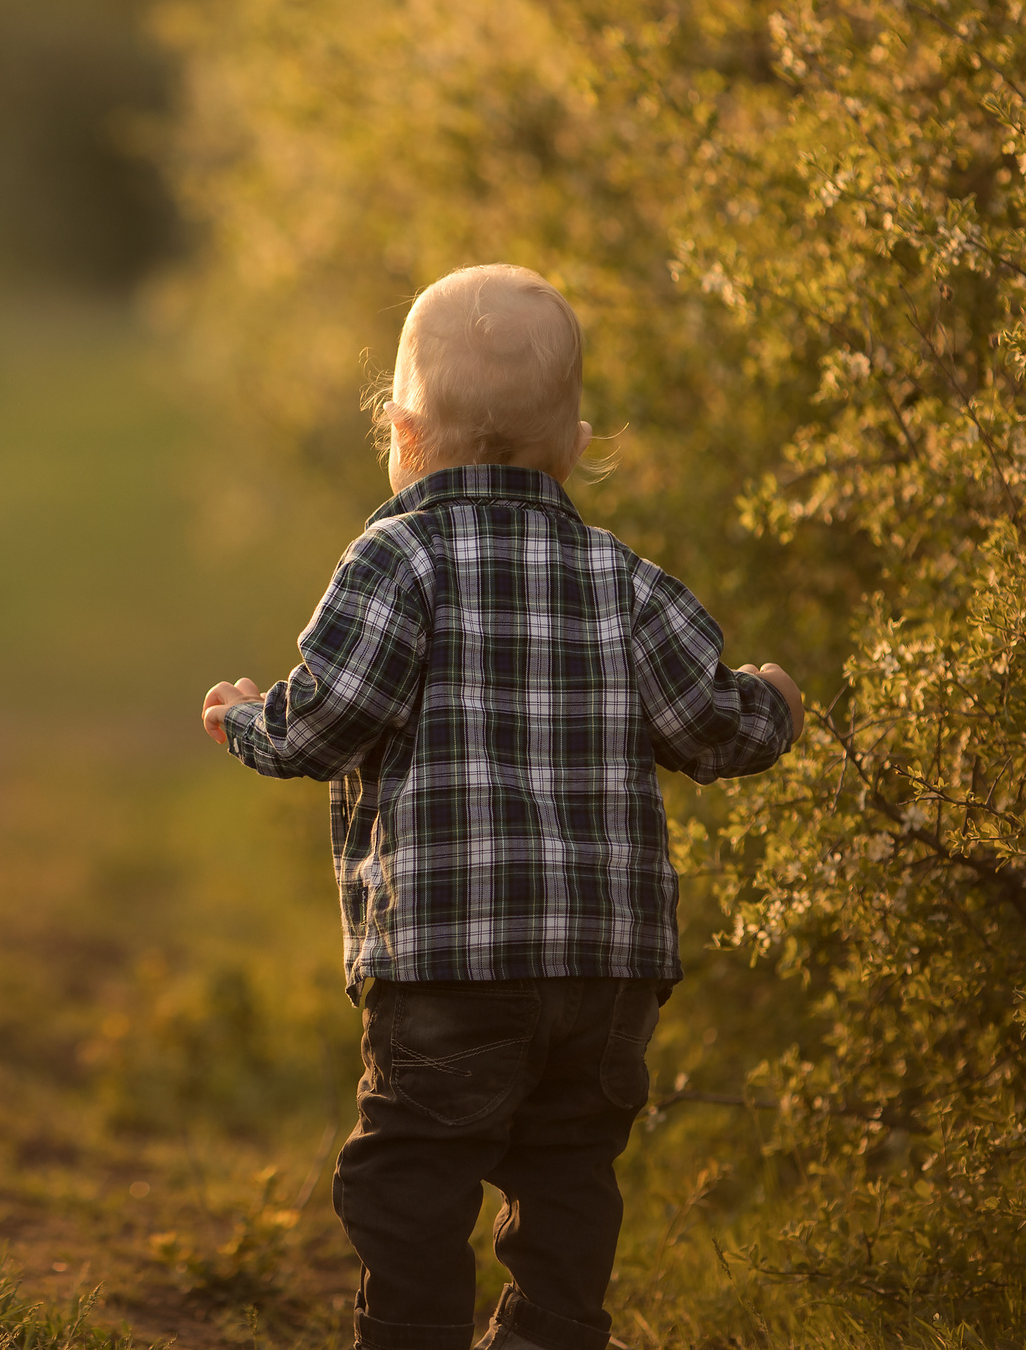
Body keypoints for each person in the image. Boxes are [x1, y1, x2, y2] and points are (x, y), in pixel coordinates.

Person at [199, 265, 803, 1350]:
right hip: (605, 975)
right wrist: (773, 702)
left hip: (446, 966)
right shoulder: (626, 580)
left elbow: (327, 719)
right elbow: (713, 731)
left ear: (404, 429)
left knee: (411, 1180)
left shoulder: (396, 558)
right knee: (568, 1181)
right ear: (571, 441)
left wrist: (248, 720)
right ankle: (545, 1333)